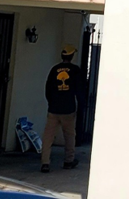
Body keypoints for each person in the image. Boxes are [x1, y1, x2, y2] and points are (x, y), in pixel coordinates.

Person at [40, 44, 85, 173]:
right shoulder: (76, 70)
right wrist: (81, 105)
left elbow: (47, 89)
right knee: (70, 136)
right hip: (68, 109)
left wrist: (51, 103)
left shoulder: (54, 69)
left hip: (53, 109)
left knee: (48, 136)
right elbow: (80, 89)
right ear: (71, 56)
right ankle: (68, 161)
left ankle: (45, 163)